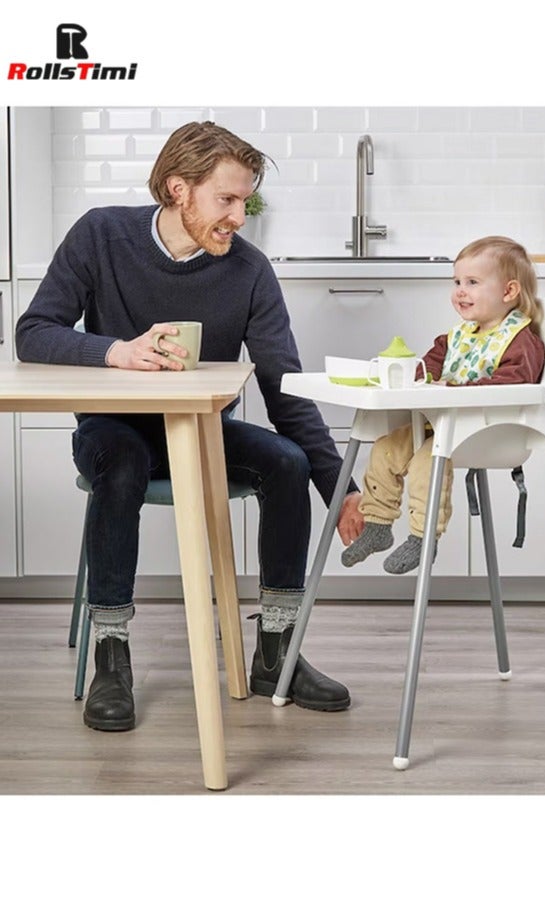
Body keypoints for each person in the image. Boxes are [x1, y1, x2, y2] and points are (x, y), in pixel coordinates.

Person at [15, 120, 364, 731]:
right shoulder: (102, 235)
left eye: (245, 201)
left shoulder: (249, 270)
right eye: (226, 199)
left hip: (200, 435)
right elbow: (33, 331)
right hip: (111, 430)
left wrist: (343, 491)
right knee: (121, 464)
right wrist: (113, 351)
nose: (239, 216)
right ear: (179, 188)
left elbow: (284, 386)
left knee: (287, 462)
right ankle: (111, 656)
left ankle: (276, 654)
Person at [341, 235, 545, 575]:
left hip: (487, 429)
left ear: (508, 292)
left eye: (472, 282)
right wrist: (414, 378)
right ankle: (378, 524)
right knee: (385, 448)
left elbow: (515, 383)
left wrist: (453, 389)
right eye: (457, 282)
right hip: (441, 423)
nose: (460, 291)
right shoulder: (459, 336)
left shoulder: (520, 340)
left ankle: (423, 538)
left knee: (426, 460)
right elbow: (429, 367)